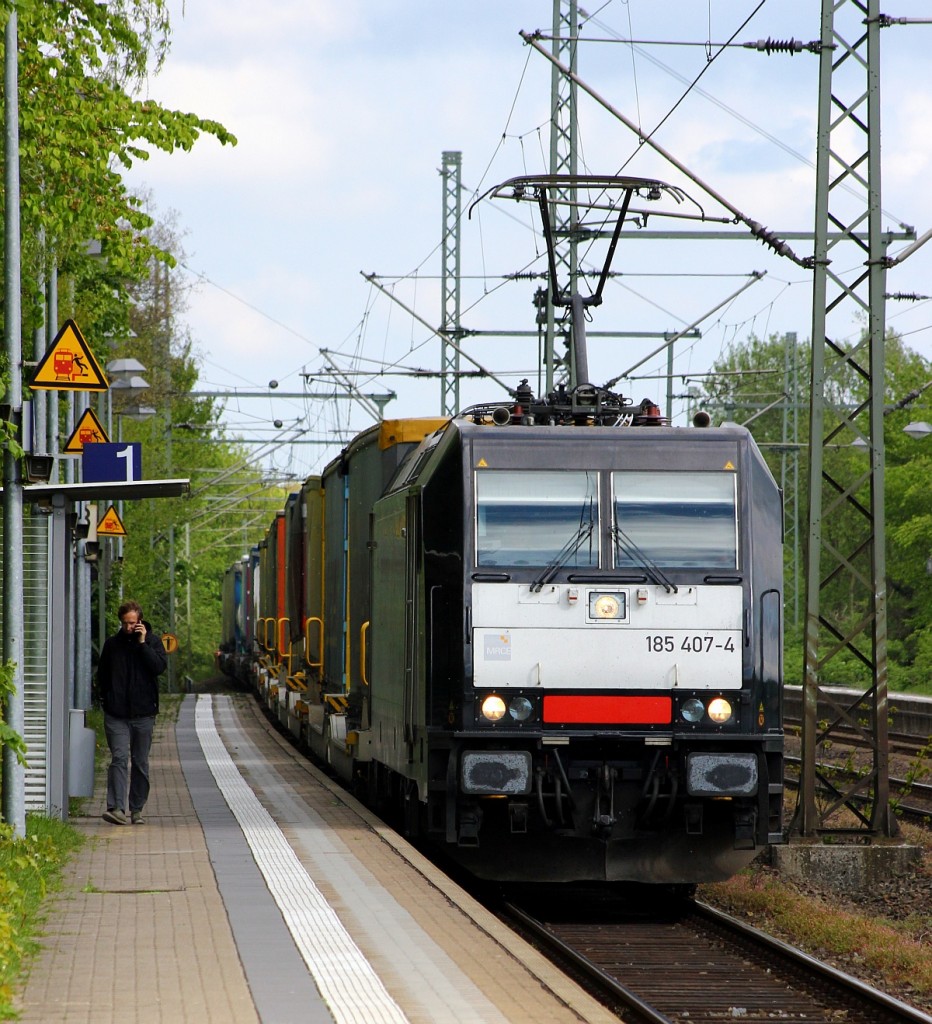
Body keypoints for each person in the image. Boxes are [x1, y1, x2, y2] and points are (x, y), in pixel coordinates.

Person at [97, 600, 167, 825]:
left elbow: (158, 668)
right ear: (121, 622)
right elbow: (103, 675)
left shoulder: (153, 643)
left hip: (144, 713)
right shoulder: (112, 646)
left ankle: (137, 809)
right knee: (119, 758)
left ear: (140, 622)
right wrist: (105, 699)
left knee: (140, 761)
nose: (129, 627)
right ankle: (116, 807)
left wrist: (143, 644)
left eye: (133, 623)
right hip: (116, 713)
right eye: (125, 623)